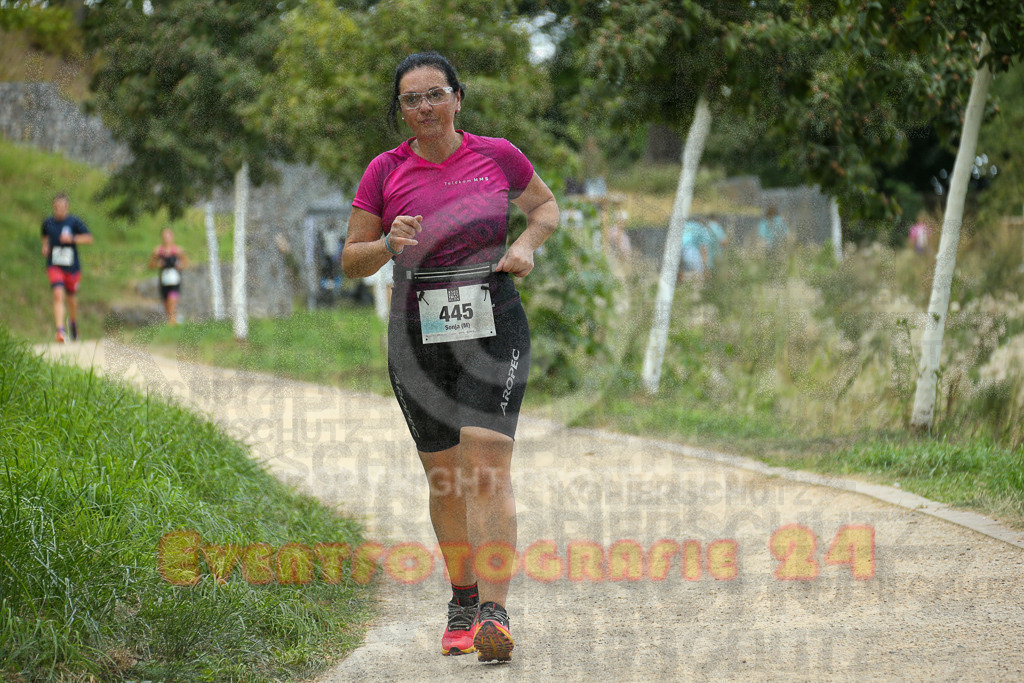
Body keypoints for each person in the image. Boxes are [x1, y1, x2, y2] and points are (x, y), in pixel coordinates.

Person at [342, 52, 558, 663]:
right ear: (401, 110)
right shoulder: (384, 171)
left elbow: (545, 208)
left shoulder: (498, 155)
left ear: (458, 98)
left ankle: (494, 612)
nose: (425, 108)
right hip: (417, 335)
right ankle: (462, 600)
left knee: (486, 465)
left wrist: (526, 245)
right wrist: (389, 244)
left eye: (435, 94)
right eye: (411, 100)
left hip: (494, 323)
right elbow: (351, 259)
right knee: (445, 476)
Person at [41, 192, 93, 342]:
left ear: (66, 207)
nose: (59, 210)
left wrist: (73, 238)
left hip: (72, 267)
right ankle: (60, 330)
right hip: (54, 265)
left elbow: (89, 238)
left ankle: (73, 322)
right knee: (58, 295)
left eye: (61, 207)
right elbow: (44, 236)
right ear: (53, 207)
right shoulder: (48, 223)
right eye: (56, 207)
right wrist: (45, 246)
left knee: (71, 298)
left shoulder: (74, 222)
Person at [148, 228, 188, 324]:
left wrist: (180, 266)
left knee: (171, 303)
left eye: (168, 236)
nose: (166, 239)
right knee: (167, 306)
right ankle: (173, 323)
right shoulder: (158, 251)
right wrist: (158, 264)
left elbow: (186, 263)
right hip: (164, 281)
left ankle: (172, 323)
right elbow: (150, 265)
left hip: (175, 281)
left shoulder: (178, 250)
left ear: (172, 237)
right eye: (164, 237)